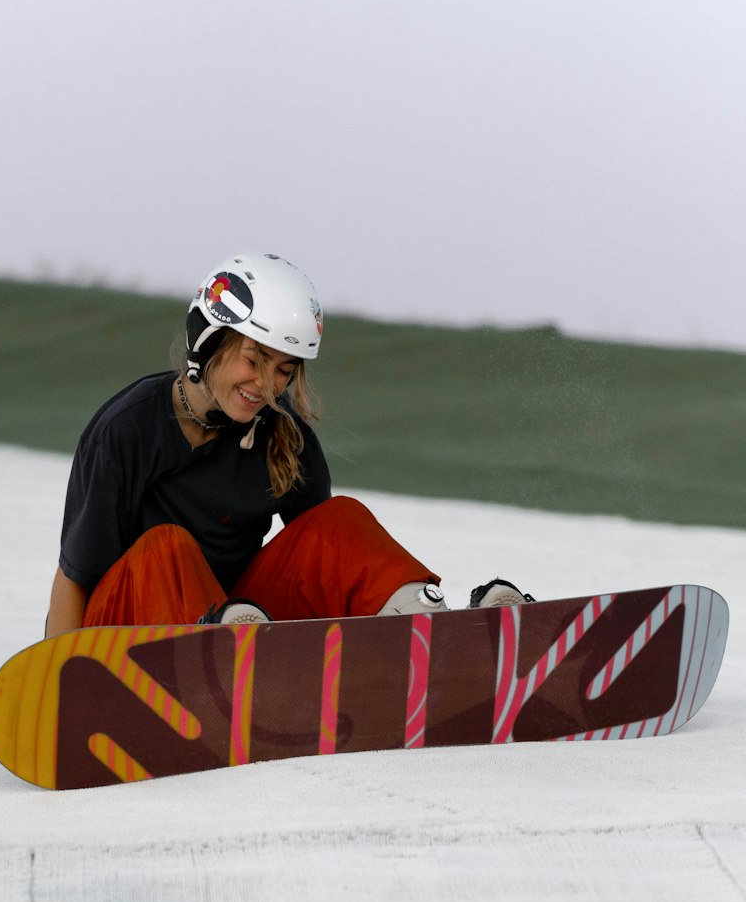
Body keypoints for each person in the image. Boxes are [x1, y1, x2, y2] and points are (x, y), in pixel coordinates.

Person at [46, 253, 531, 638]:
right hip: (123, 635)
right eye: (254, 360)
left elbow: (323, 554)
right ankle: (222, 647)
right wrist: (56, 693)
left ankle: (431, 634)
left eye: (283, 370)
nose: (265, 385)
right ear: (211, 343)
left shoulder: (281, 429)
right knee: (168, 546)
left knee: (339, 519)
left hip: (237, 619)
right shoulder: (126, 428)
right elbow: (75, 578)